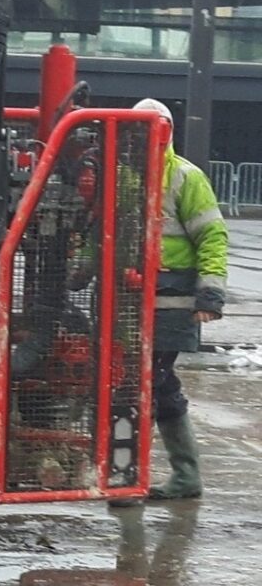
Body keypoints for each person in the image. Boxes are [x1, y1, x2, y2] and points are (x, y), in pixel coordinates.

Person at [133, 98, 228, 500]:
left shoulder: (186, 178)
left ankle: (133, 474)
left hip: (172, 302)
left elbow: (212, 236)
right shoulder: (125, 177)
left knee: (148, 383)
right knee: (152, 382)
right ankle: (182, 476)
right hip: (133, 300)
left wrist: (209, 294)